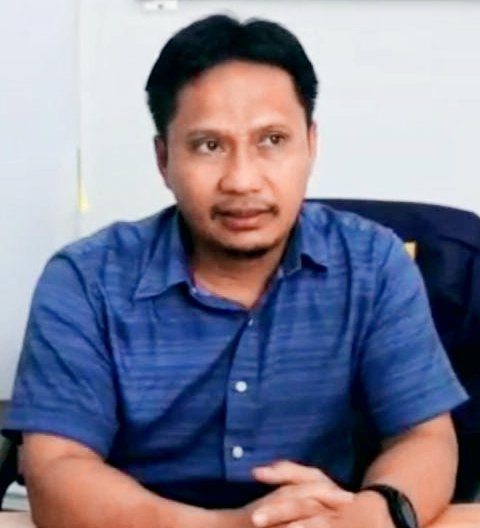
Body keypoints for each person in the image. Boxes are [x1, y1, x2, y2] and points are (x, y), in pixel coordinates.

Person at [3, 14, 467, 528]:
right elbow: (57, 469)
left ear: (311, 144)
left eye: (272, 140)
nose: (242, 180)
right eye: (209, 145)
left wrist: (370, 516)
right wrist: (226, 527)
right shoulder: (85, 280)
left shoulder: (374, 263)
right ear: (163, 159)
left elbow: (424, 437)